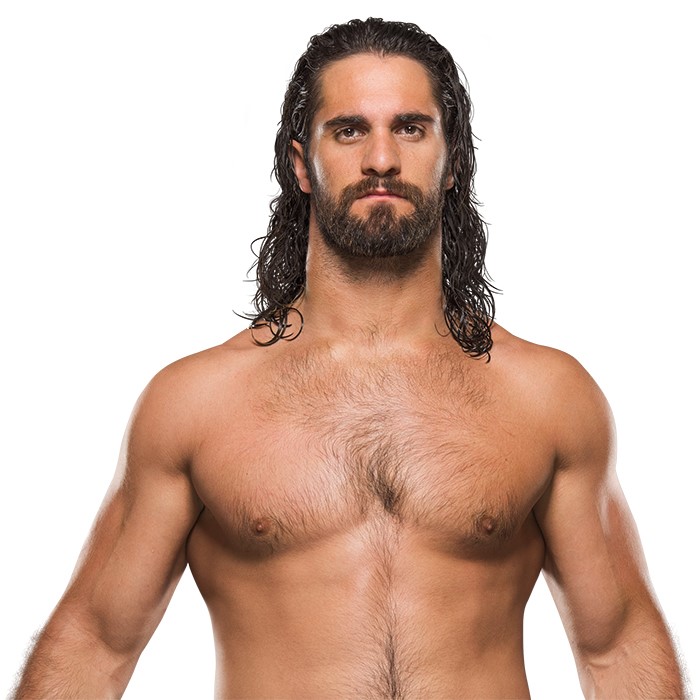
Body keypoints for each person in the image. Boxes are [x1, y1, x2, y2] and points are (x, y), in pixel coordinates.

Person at [13, 17, 686, 699]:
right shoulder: (197, 404)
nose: (381, 160)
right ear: (301, 164)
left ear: (453, 160)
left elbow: (615, 643)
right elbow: (97, 642)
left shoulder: (546, 397)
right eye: (349, 130)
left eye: (411, 128)